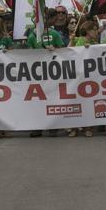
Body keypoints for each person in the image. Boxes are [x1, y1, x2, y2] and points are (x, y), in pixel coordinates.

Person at [26, 8, 65, 138]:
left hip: (52, 73)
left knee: (52, 99)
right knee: (38, 101)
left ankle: (52, 126)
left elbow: (63, 51)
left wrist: (54, 49)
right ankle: (38, 127)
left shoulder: (54, 34)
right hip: (37, 73)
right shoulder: (33, 34)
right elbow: (28, 51)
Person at [68, 21, 100, 137]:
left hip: (89, 77)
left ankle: (87, 127)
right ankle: (74, 128)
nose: (97, 32)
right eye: (94, 29)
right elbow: (69, 52)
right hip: (77, 77)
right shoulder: (81, 40)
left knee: (87, 103)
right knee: (76, 103)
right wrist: (73, 41)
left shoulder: (95, 43)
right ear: (87, 31)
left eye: (97, 30)